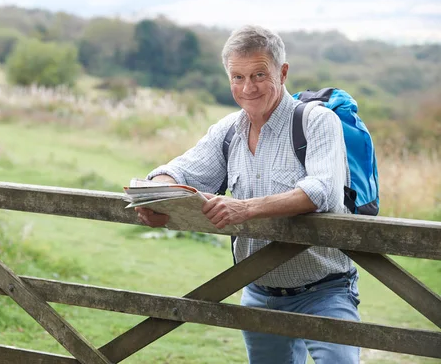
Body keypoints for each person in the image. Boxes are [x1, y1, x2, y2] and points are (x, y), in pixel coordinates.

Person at [135, 25, 361, 364]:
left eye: (259, 74)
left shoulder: (317, 121)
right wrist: (157, 196)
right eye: (237, 77)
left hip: (326, 290)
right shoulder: (228, 130)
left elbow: (323, 191)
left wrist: (247, 208)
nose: (247, 87)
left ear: (282, 73)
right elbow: (181, 170)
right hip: (258, 292)